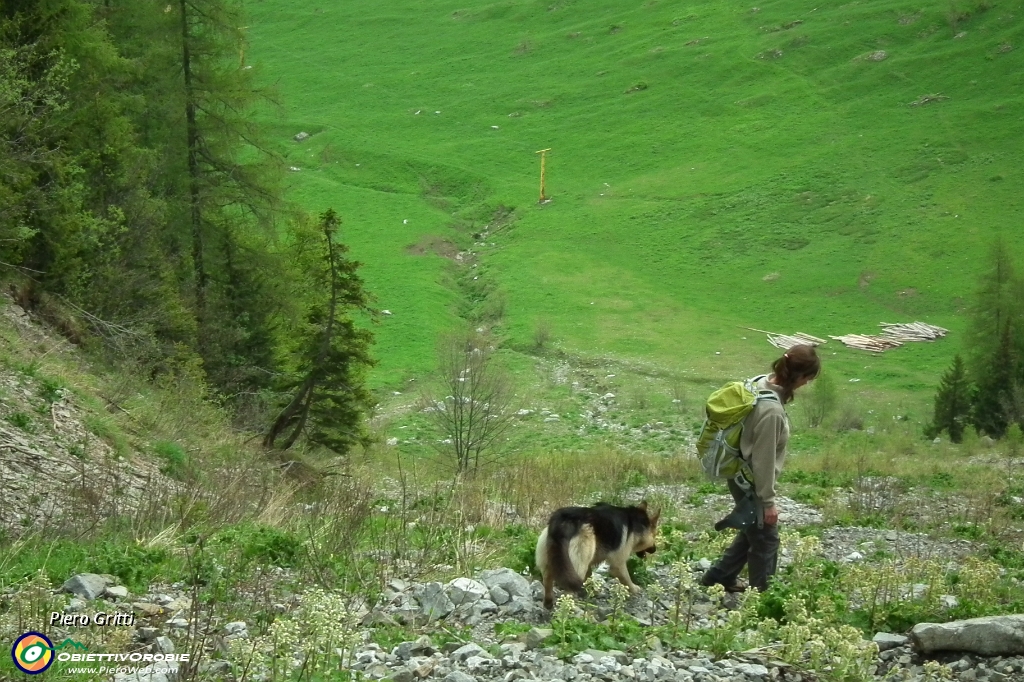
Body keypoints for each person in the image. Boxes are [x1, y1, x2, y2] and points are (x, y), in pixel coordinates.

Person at [700, 344, 821, 592]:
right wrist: (767, 503)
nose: (807, 384)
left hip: (738, 473)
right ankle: (763, 598)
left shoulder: (758, 383)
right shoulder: (771, 412)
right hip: (751, 481)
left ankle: (718, 577)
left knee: (752, 530)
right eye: (808, 378)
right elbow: (763, 460)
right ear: (798, 376)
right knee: (766, 539)